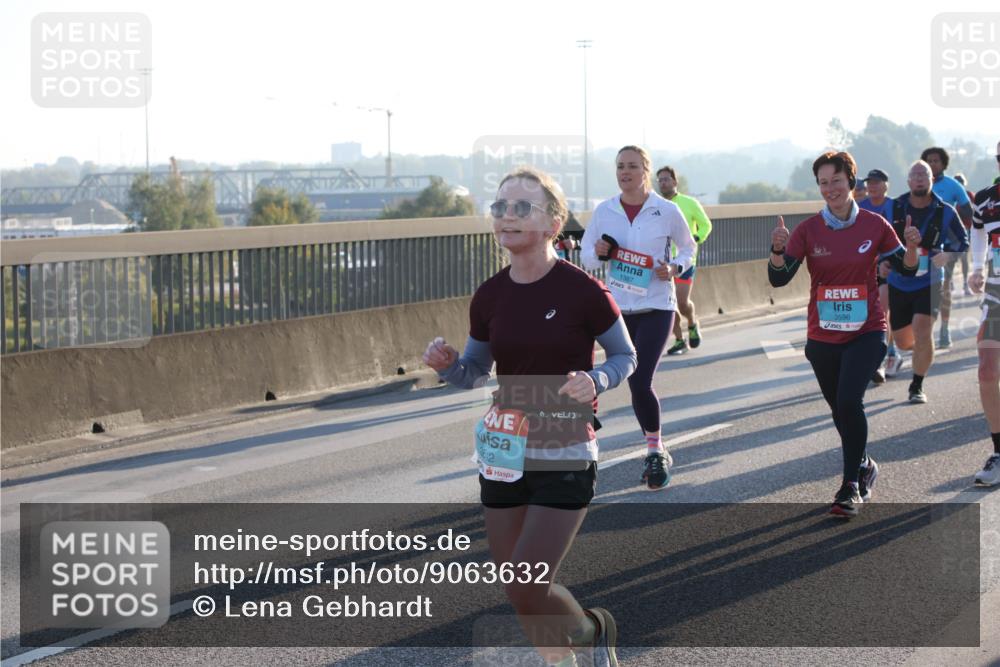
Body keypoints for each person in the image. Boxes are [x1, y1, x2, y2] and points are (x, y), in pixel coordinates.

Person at [424, 166, 635, 667]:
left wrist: (597, 379)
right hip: (504, 453)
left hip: (565, 448)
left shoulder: (584, 291)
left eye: (522, 208)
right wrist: (450, 365)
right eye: (500, 208)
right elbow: (476, 372)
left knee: (527, 580)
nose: (507, 217)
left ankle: (590, 629)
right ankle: (565, 655)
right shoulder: (490, 295)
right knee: (518, 593)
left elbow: (625, 357)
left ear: (553, 222)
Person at [769, 151, 920, 517]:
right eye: (823, 182)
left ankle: (850, 484)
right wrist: (777, 250)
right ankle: (865, 463)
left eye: (836, 180)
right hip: (822, 336)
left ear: (851, 181)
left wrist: (912, 247)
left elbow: (906, 269)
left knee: (851, 402)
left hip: (867, 330)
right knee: (839, 409)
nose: (830, 188)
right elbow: (779, 277)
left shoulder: (874, 224)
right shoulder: (807, 230)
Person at [581, 146, 696, 490]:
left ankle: (654, 449)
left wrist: (674, 267)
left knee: (639, 379)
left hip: (658, 306)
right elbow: (587, 255)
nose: (625, 172)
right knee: (624, 378)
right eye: (620, 167)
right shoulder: (605, 211)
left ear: (646, 170)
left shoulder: (666, 210)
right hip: (617, 309)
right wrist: (598, 253)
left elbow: (688, 248)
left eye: (632, 166)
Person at [882, 160, 968, 404]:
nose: (919, 179)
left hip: (929, 281)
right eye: (915, 175)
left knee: (922, 330)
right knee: (903, 340)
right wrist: (883, 261)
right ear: (908, 181)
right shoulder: (894, 208)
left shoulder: (945, 211)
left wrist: (949, 254)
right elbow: (880, 239)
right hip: (900, 281)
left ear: (932, 181)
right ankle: (908, 353)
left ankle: (917, 385)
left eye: (924, 175)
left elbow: (963, 241)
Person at [968, 141, 1000, 486]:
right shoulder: (987, 199)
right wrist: (977, 267)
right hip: (997, 294)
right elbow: (977, 230)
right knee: (987, 371)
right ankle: (999, 451)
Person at [655, 165, 713, 356]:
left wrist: (695, 238)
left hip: (685, 260)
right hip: (662, 262)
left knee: (681, 302)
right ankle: (679, 340)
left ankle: (692, 322)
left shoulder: (689, 203)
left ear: (674, 181)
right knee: (668, 305)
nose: (663, 183)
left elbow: (706, 225)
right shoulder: (655, 205)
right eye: (660, 180)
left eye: (666, 179)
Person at [921, 147, 974, 348]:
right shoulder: (920, 185)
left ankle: (944, 329)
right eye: (929, 161)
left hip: (947, 245)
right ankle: (924, 330)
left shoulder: (953, 185)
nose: (933, 164)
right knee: (922, 289)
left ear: (943, 163)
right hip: (923, 246)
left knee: (943, 287)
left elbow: (968, 212)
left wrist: (953, 228)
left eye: (936, 160)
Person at [858, 168, 894, 384]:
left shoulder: (894, 206)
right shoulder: (859, 208)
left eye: (876, 182)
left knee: (882, 312)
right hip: (863, 269)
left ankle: (883, 359)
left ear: (886, 185)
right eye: (869, 183)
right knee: (863, 317)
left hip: (887, 267)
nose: (871, 186)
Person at [955, 173, 976, 295]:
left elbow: (973, 211)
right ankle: (949, 282)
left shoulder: (969, 195)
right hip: (953, 231)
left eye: (961, 183)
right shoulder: (952, 195)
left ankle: (964, 284)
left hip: (966, 230)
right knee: (951, 258)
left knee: (964, 259)